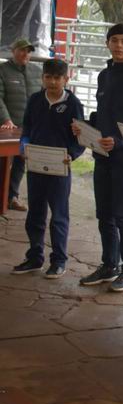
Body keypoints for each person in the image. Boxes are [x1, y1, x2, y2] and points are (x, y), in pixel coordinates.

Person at [73, 23, 123, 290]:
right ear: (108, 43)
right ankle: (110, 264)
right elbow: (103, 114)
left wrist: (119, 142)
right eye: (114, 40)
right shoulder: (104, 76)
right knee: (103, 213)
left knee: (121, 214)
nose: (119, 45)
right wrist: (85, 127)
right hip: (101, 154)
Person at [11, 58, 83, 278]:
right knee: (35, 214)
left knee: (59, 216)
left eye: (57, 78)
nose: (52, 82)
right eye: (48, 77)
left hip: (60, 169)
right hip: (35, 168)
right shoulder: (35, 100)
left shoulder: (73, 104)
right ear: (42, 78)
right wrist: (23, 146)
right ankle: (35, 257)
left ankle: (59, 261)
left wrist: (71, 155)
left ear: (66, 79)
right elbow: (27, 130)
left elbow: (80, 138)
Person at [0, 38, 43, 211]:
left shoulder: (36, 71)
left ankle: (12, 197)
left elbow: (43, 96)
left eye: (28, 51)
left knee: (20, 161)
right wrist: (5, 120)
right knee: (2, 162)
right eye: (22, 50)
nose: (25, 54)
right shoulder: (2, 71)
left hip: (30, 127)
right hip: (8, 127)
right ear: (13, 51)